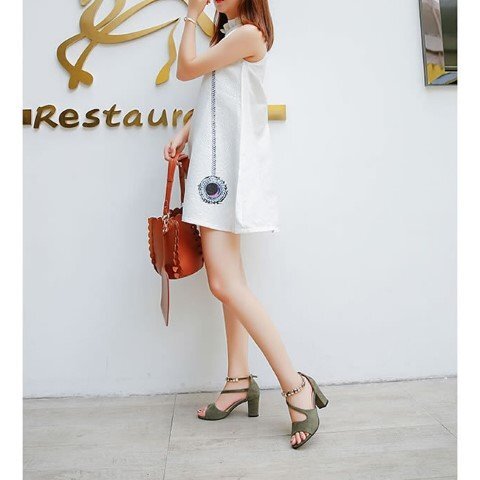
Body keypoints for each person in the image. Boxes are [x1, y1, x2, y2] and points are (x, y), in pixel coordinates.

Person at [163, 0, 329, 449]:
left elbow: (186, 69)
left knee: (225, 283)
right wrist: (185, 132)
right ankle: (238, 379)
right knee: (230, 282)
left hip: (227, 174)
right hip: (215, 170)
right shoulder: (231, 34)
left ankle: (296, 386)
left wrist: (189, 15)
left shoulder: (248, 35)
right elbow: (218, 95)